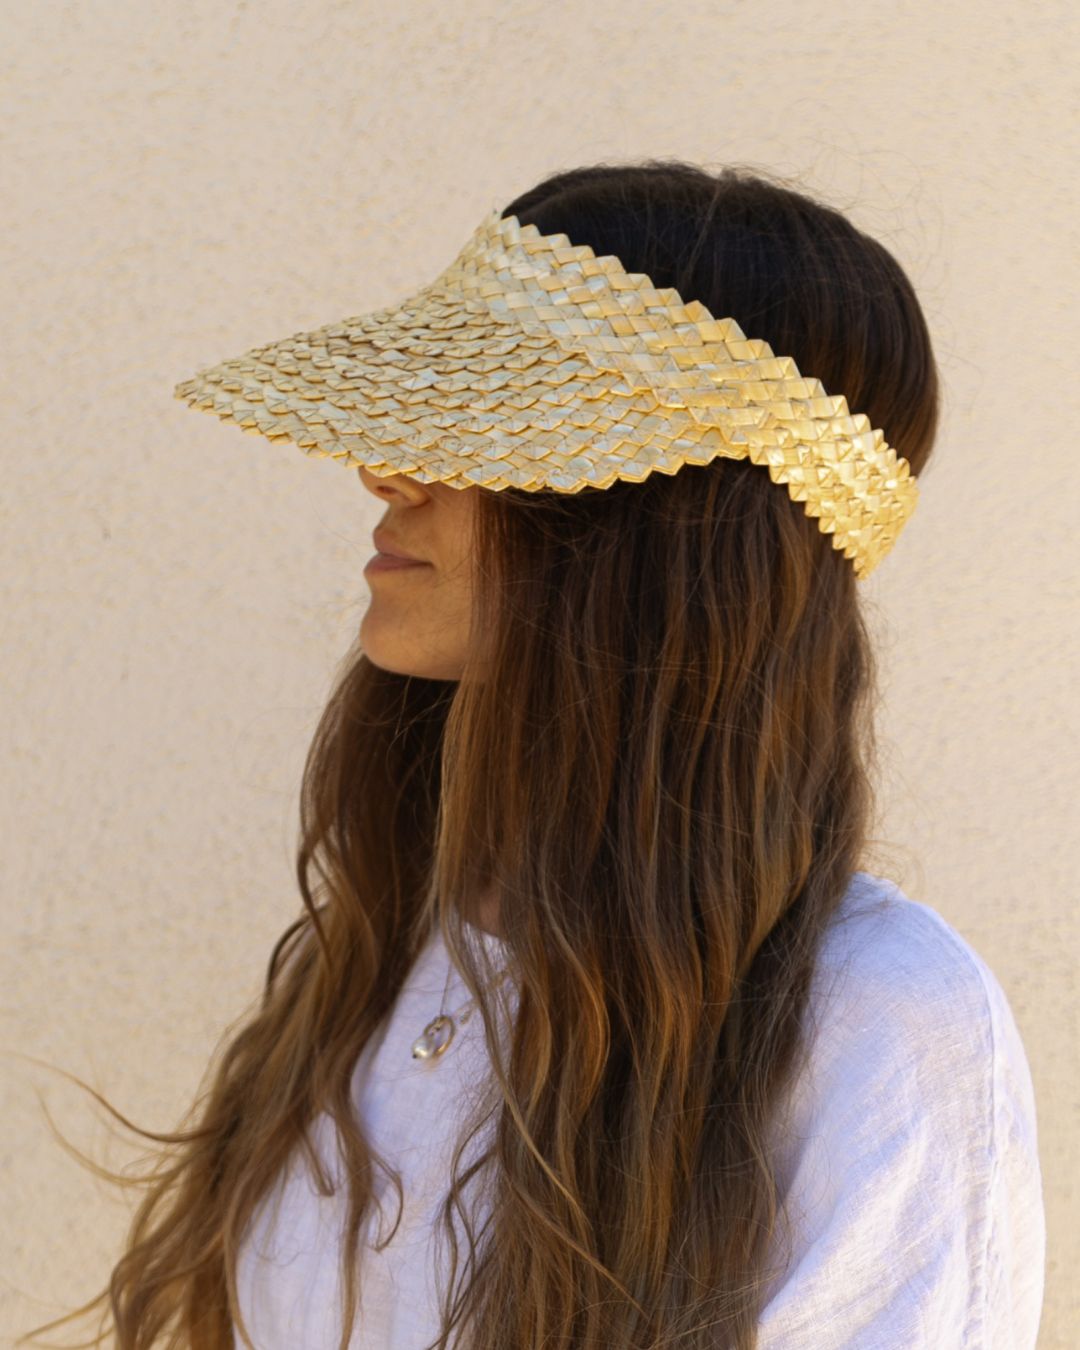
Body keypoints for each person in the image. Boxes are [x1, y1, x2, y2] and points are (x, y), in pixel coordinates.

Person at [27, 158, 1045, 1349]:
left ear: (665, 525)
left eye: (488, 429)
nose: (386, 470)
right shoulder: (401, 931)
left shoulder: (883, 1026)